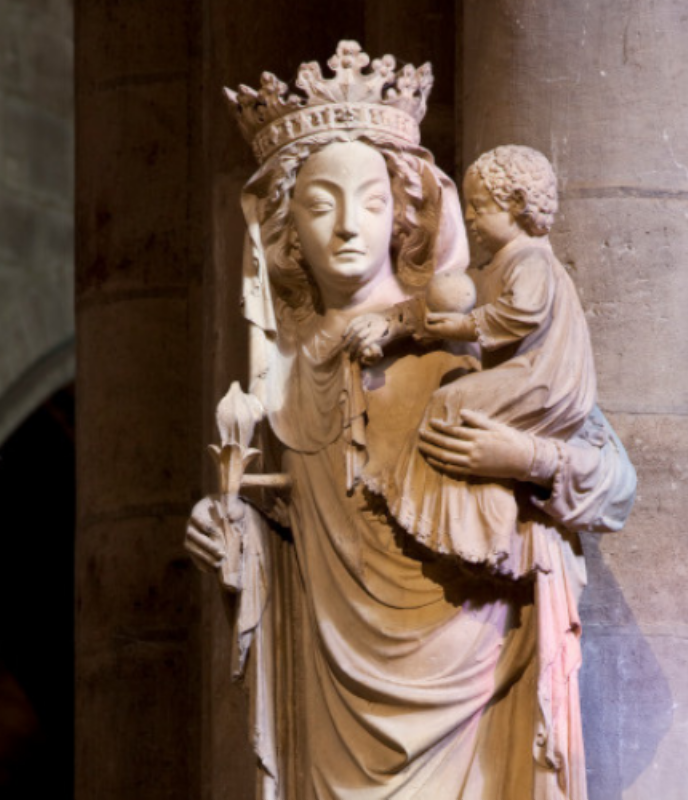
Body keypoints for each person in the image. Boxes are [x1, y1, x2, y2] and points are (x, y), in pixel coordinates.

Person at [185, 42, 636, 800]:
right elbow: (305, 537)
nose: (349, 227)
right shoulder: (279, 385)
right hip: (335, 705)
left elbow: (614, 484)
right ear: (285, 226)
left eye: (370, 200)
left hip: (476, 684)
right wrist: (237, 539)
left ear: (405, 209)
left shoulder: (466, 329)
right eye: (321, 204)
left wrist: (524, 456)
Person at [353, 146, 597, 578]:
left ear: (518, 206)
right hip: (528, 377)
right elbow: (444, 307)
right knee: (453, 403)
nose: (469, 218)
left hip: (542, 380)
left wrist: (459, 328)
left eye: (479, 207)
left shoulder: (530, 260)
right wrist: (400, 322)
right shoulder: (498, 267)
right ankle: (440, 520)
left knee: (453, 403)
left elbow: (515, 314)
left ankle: (447, 525)